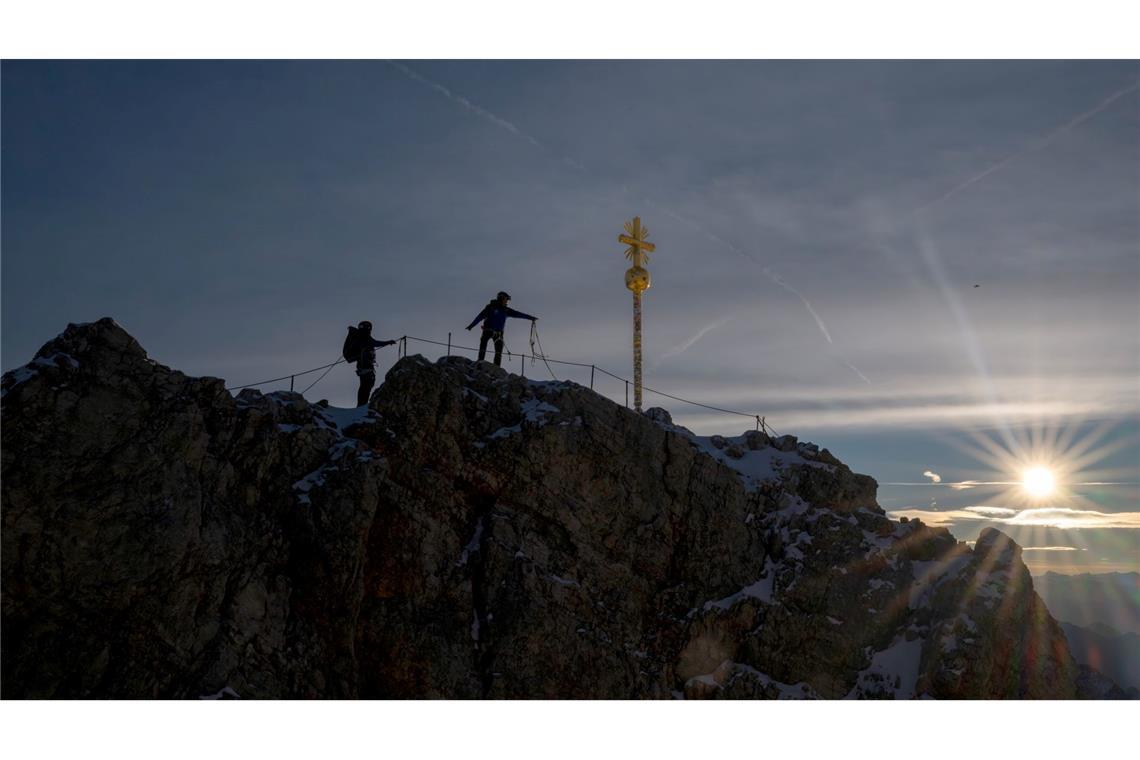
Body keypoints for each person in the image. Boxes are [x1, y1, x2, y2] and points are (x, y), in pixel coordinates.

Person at [465, 291, 537, 367]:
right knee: (483, 346)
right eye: (506, 299)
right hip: (488, 331)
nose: (507, 301)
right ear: (501, 298)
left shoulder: (506, 310)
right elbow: (479, 317)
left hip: (499, 334)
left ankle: (496, 367)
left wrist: (531, 318)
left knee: (498, 352)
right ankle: (480, 362)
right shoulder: (490, 308)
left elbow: (518, 314)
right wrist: (471, 326)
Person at [352, 321, 397, 406]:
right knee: (366, 385)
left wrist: (388, 342)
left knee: (365, 386)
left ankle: (361, 405)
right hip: (366, 367)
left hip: (362, 367)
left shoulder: (360, 338)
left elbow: (374, 343)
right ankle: (362, 405)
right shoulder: (365, 338)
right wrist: (388, 342)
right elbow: (376, 343)